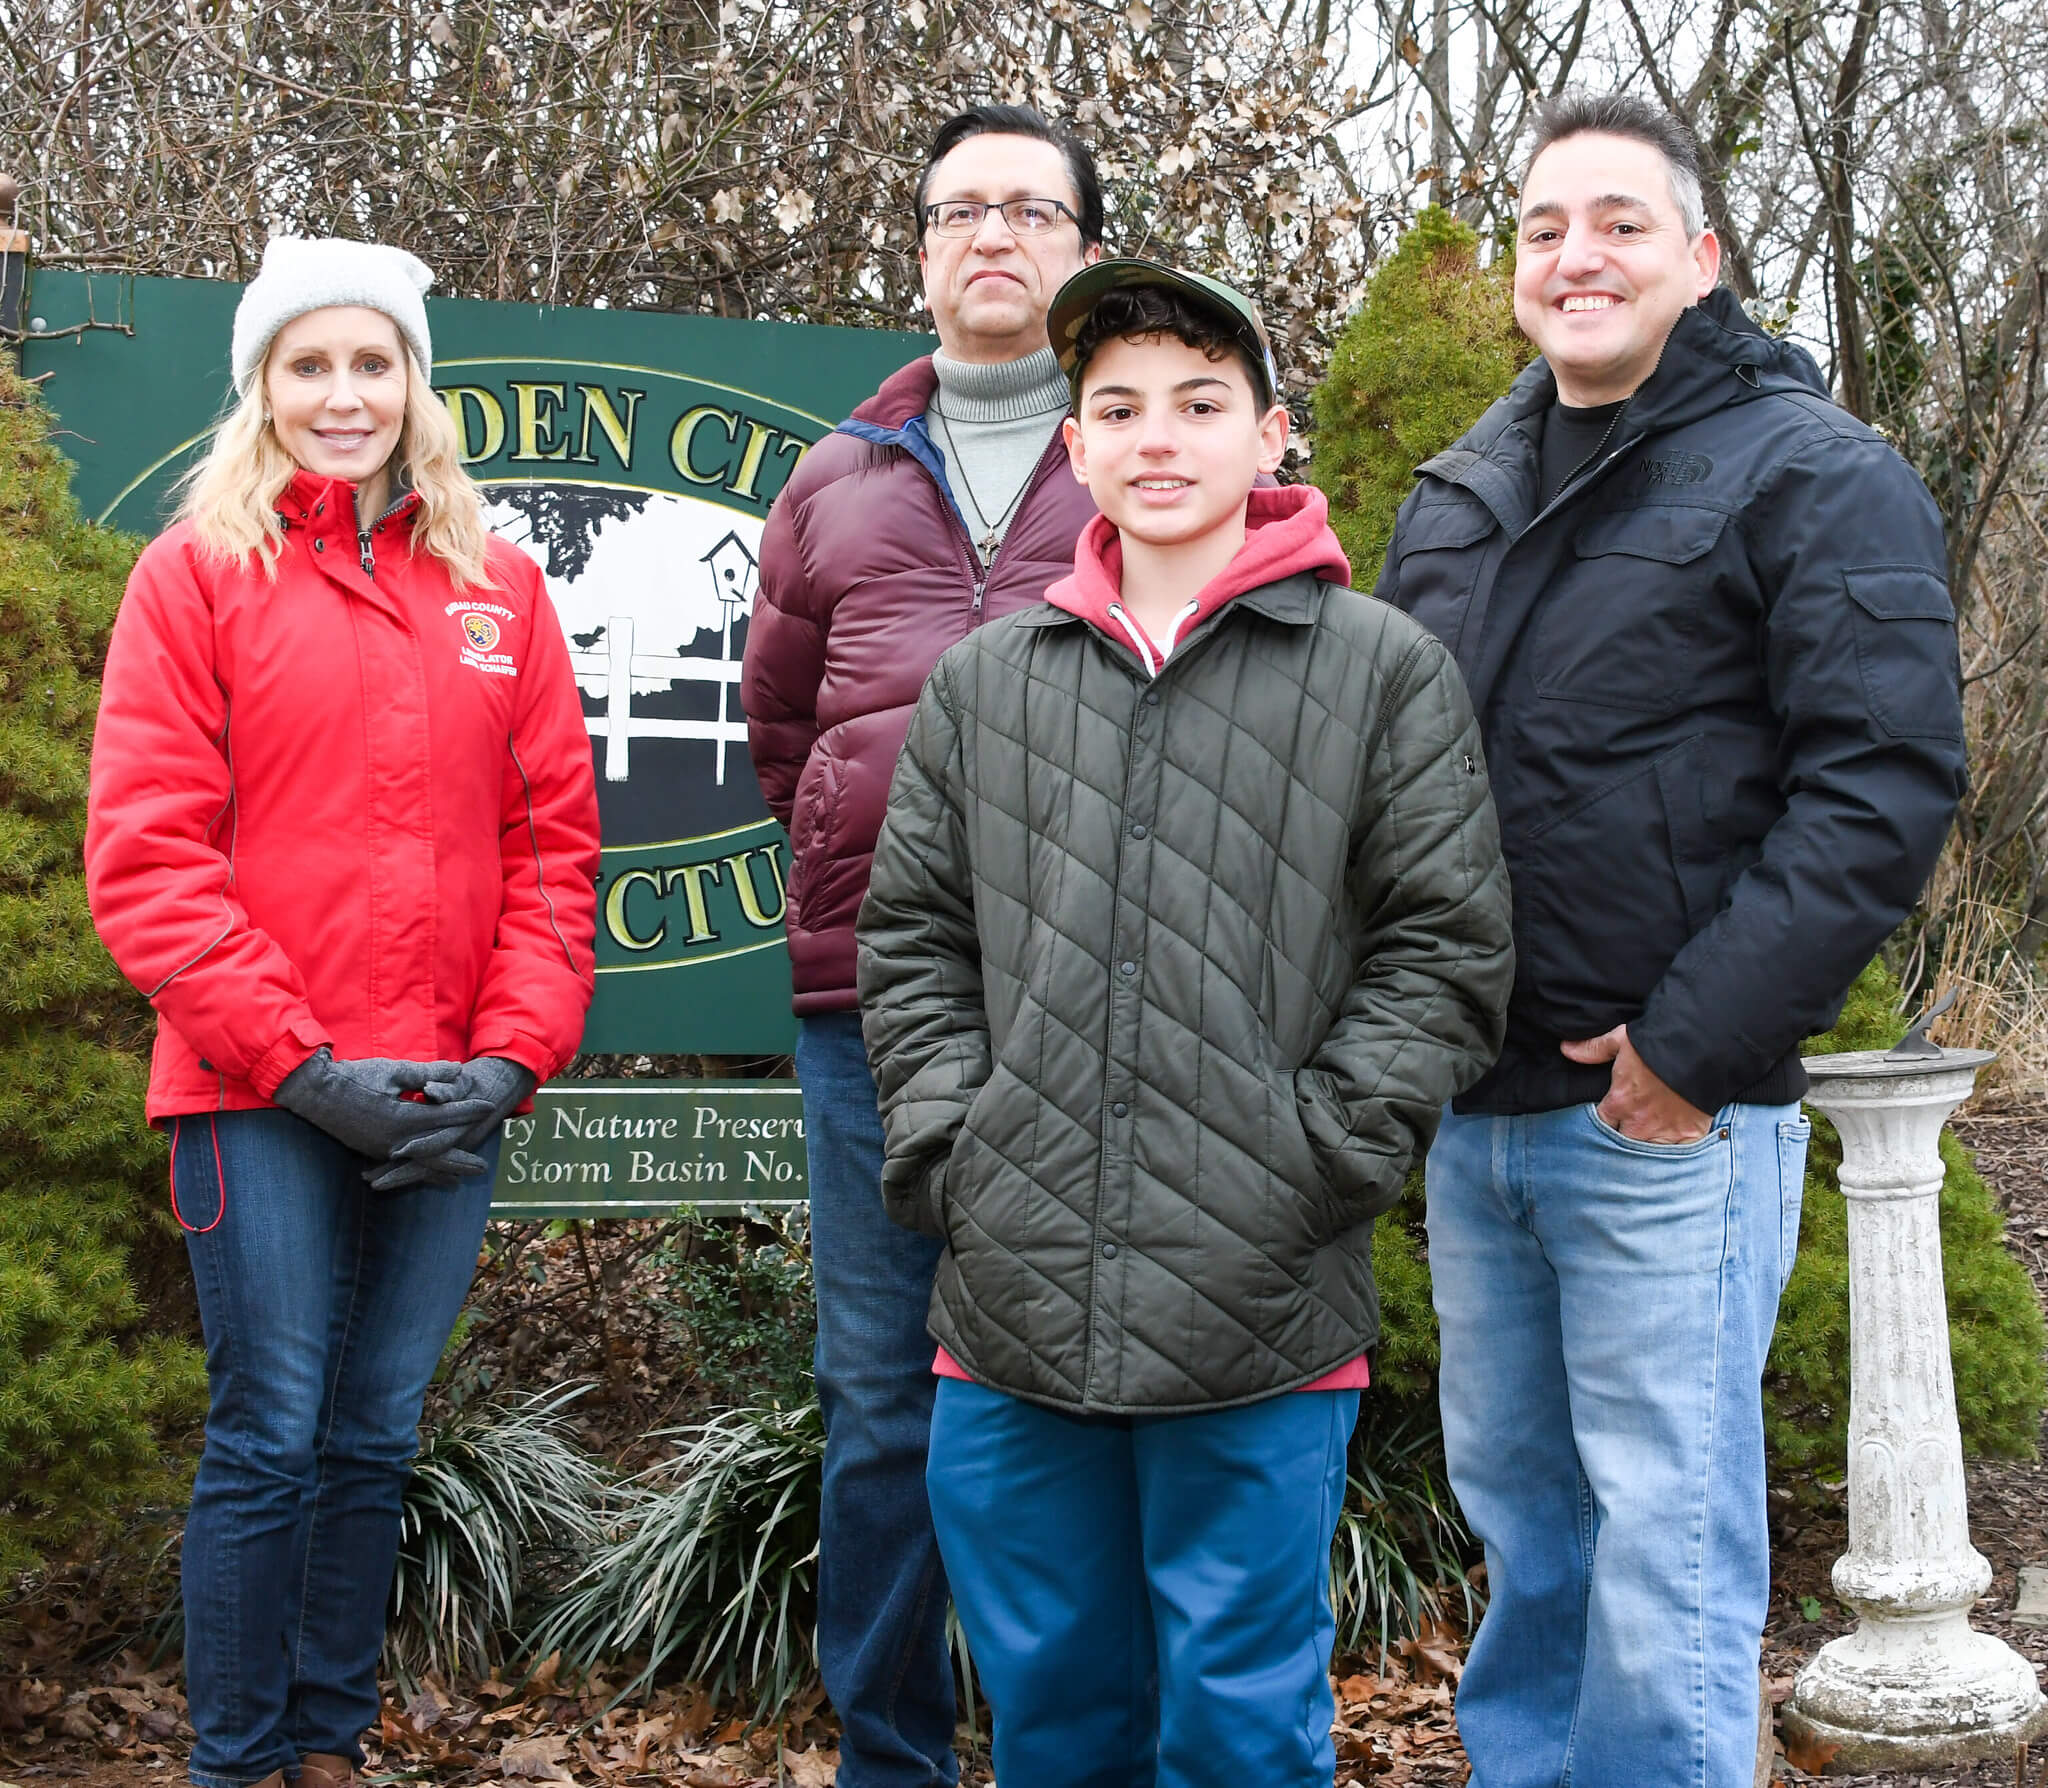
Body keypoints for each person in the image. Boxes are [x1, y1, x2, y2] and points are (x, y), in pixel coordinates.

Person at [856, 259, 1515, 1788]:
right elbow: (914, 940)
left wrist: (1320, 1154)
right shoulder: (984, 685)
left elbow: (1447, 947)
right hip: (1014, 1300)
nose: (1161, 439)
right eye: (1121, 408)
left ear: (1272, 436)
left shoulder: (1380, 671)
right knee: (1053, 1712)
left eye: (1202, 405)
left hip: (1260, 1297)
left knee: (1237, 1720)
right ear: (1073, 446)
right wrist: (960, 1144)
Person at [1375, 93, 1968, 1788]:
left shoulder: (1816, 473)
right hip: (1476, 1116)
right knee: (1528, 1534)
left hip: (1668, 1124)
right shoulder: (1465, 490)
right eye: (1548, 226)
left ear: (1701, 256)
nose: (1582, 256)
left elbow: (1882, 791)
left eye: (1623, 222)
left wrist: (1689, 1051)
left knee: (1661, 1548)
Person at [84, 236, 601, 1788]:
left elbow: (552, 851)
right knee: (270, 1435)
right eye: (308, 365)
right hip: (261, 1092)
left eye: (372, 363)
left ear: (415, 385)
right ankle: (235, 1761)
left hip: (447, 1090)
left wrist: (509, 1058)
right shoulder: (196, 577)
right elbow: (150, 854)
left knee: (376, 1435)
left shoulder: (498, 588)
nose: (343, 394)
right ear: (260, 387)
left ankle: (325, 1741)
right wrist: (302, 1067)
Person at [740, 105, 1104, 1786]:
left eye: (1032, 210)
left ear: (1083, 250)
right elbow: (785, 730)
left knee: (1077, 1396)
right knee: (884, 1407)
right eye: (962, 211)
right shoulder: (831, 481)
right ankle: (890, 1758)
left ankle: (1067, 1748)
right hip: (867, 1013)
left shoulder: (1148, 451)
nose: (994, 237)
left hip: (1098, 1007)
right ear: (920, 254)